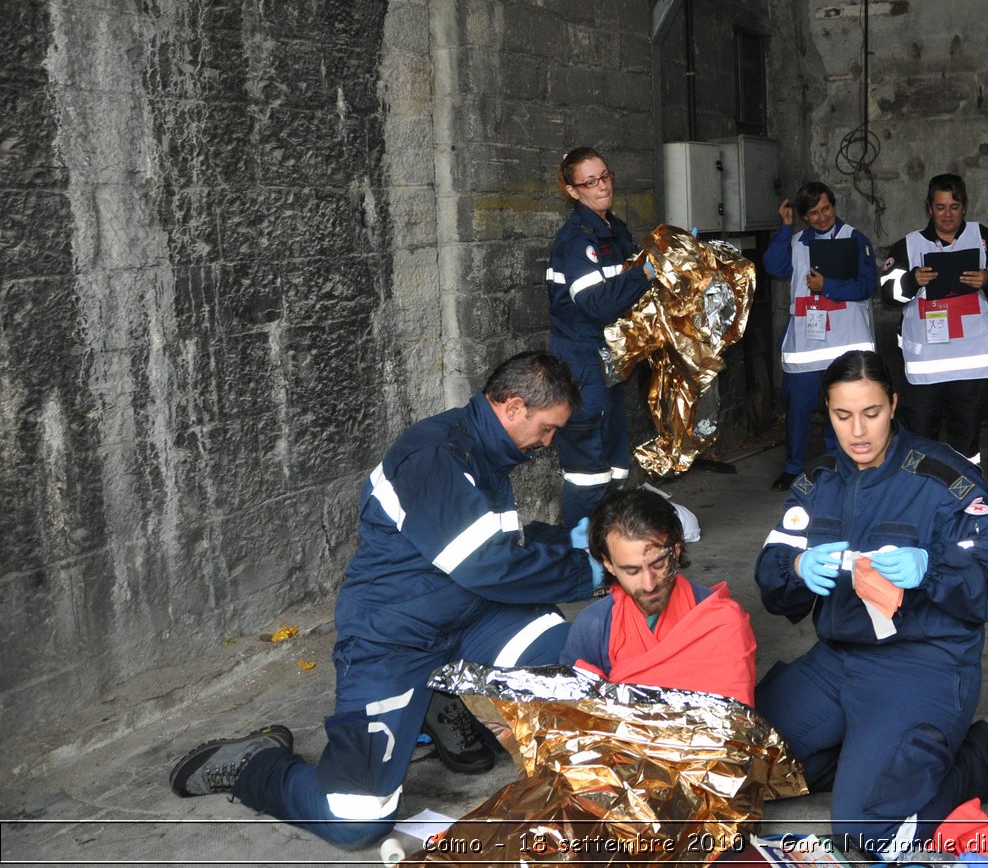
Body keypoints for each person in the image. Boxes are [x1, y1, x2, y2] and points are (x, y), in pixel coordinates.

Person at [167, 353, 605, 849]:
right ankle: (253, 763)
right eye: (547, 429)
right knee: (357, 821)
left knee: (578, 662)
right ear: (514, 407)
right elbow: (487, 565)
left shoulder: (489, 451)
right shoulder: (436, 455)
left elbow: (497, 548)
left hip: (472, 614)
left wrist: (567, 543)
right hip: (394, 635)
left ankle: (434, 701)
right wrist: (584, 571)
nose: (548, 443)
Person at [754, 350, 988, 856]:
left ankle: (983, 752)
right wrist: (796, 570)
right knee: (744, 759)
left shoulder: (944, 480)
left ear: (893, 405)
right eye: (842, 415)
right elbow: (771, 577)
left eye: (871, 413)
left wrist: (933, 569)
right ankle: (878, 755)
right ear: (827, 412)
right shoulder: (819, 482)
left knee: (865, 832)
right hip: (837, 658)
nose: (857, 431)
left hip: (925, 663)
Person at [561, 488, 757, 706]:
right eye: (631, 571)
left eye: (658, 564)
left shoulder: (722, 623)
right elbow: (574, 714)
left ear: (676, 550)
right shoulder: (593, 628)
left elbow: (735, 721)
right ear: (609, 565)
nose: (649, 584)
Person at [546, 147, 653, 527]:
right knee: (588, 470)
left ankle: (606, 548)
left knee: (614, 464)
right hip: (581, 366)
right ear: (573, 191)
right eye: (590, 181)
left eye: (605, 175)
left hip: (607, 361)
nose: (601, 186)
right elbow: (594, 303)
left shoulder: (613, 229)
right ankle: (580, 560)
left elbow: (632, 285)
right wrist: (646, 274)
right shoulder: (579, 239)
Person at [879, 173, 988, 465]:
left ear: (964, 207)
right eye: (940, 207)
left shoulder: (982, 238)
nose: (947, 214)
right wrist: (913, 280)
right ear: (929, 208)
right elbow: (888, 295)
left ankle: (966, 493)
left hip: (972, 361)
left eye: (954, 206)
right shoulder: (909, 245)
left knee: (966, 438)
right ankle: (921, 492)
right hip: (926, 364)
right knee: (919, 434)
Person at [763, 181, 877, 491]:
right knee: (797, 409)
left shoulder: (855, 239)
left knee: (840, 410)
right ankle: (793, 468)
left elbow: (866, 286)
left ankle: (838, 464)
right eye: (813, 213)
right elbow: (774, 266)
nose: (822, 217)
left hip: (845, 343)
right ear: (804, 216)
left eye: (826, 209)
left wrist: (827, 286)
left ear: (834, 206)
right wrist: (785, 229)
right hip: (806, 346)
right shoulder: (797, 241)